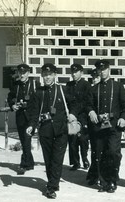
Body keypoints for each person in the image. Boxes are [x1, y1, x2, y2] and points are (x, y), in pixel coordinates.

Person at [26, 63, 78, 199]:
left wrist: (73, 113)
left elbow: (74, 103)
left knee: (57, 159)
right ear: (42, 76)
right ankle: (53, 182)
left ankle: (51, 186)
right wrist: (31, 125)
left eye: (50, 74)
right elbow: (34, 112)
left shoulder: (62, 90)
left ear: (55, 75)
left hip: (61, 130)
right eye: (45, 75)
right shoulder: (38, 92)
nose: (47, 77)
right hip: (45, 130)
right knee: (48, 159)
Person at [87, 59, 125, 193]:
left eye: (105, 69)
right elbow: (88, 104)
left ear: (109, 70)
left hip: (113, 126)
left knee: (113, 152)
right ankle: (105, 182)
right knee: (100, 154)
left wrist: (124, 118)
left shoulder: (118, 86)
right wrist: (91, 111)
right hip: (99, 127)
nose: (102, 72)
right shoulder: (94, 88)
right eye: (100, 70)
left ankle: (112, 179)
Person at [7, 63, 40, 175]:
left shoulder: (35, 84)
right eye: (20, 72)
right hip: (20, 116)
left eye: (24, 72)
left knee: (26, 139)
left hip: (31, 117)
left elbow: (40, 99)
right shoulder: (15, 85)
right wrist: (12, 105)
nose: (22, 75)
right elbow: (10, 97)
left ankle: (24, 164)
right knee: (24, 140)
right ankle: (30, 163)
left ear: (28, 73)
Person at [66, 63, 91, 171]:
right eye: (72, 72)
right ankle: (75, 162)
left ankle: (85, 158)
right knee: (72, 140)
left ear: (81, 72)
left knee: (83, 139)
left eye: (76, 72)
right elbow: (67, 101)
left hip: (82, 116)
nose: (74, 74)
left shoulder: (86, 85)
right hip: (71, 116)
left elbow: (86, 102)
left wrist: (75, 113)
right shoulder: (69, 85)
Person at [86, 67, 101, 185]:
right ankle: (93, 174)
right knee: (95, 150)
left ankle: (102, 175)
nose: (95, 79)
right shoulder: (91, 90)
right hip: (93, 125)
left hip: (106, 125)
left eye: (97, 77)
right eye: (93, 77)